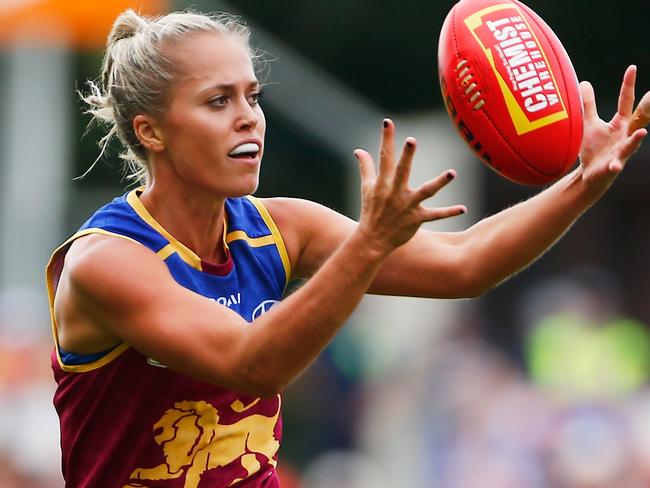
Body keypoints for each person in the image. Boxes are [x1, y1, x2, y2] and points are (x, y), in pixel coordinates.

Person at [45, 8, 649, 488]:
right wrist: (367, 245)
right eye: (217, 101)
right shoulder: (108, 262)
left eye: (252, 97)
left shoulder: (277, 228)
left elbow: (464, 265)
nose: (250, 119)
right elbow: (254, 366)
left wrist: (582, 183)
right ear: (151, 131)